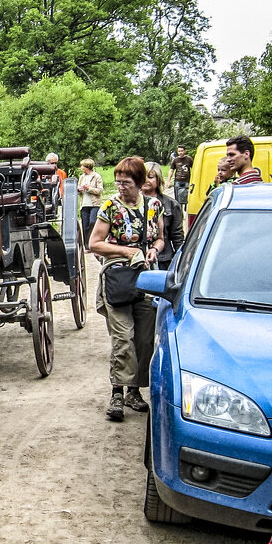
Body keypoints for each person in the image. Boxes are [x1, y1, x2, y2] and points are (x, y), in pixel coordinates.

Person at [89, 156, 165, 422]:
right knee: (123, 337)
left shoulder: (154, 206)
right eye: (118, 182)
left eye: (127, 183)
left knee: (144, 339)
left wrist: (153, 250)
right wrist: (126, 251)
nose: (121, 187)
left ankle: (134, 390)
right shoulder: (110, 207)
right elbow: (95, 243)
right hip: (118, 278)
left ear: (140, 182)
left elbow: (160, 238)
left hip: (145, 280)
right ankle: (117, 393)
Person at [143, 162, 183, 270]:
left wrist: (182, 260)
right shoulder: (132, 203)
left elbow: (177, 236)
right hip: (138, 259)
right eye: (143, 176)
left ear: (158, 179)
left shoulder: (171, 205)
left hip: (163, 259)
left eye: (150, 177)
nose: (146, 180)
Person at [77, 158, 104, 249]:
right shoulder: (82, 177)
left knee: (92, 222)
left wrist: (89, 188)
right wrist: (79, 190)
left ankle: (94, 242)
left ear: (87, 167)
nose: (81, 167)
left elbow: (100, 191)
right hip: (84, 204)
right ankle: (87, 245)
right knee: (85, 225)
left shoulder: (97, 176)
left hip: (94, 204)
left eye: (82, 166)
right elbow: (79, 190)